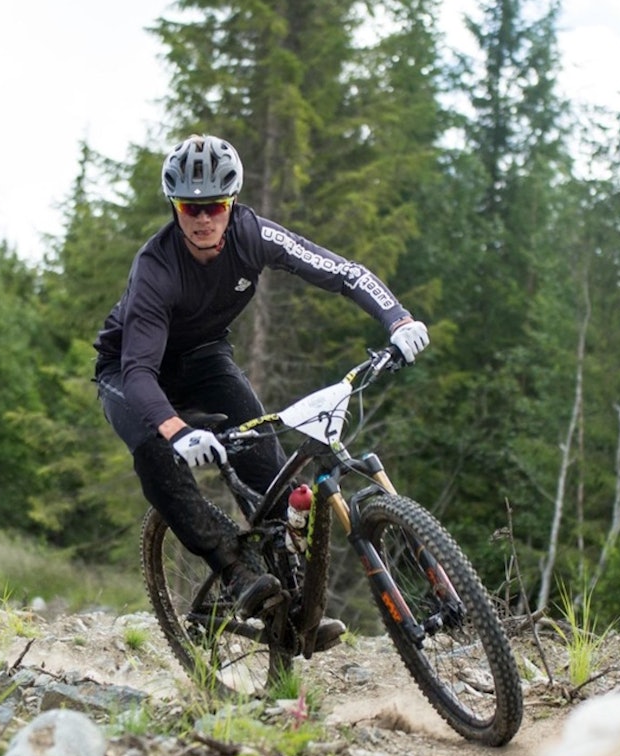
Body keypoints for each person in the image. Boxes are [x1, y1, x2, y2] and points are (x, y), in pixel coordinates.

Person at [93, 134, 430, 628]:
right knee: (155, 452)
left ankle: (293, 610)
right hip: (131, 371)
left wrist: (397, 319)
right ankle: (232, 567)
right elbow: (139, 372)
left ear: (231, 203)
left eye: (215, 206)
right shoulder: (155, 268)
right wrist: (178, 431)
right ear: (174, 207)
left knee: (270, 474)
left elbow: (343, 272)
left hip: (204, 358)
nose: (203, 219)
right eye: (190, 208)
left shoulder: (254, 235)